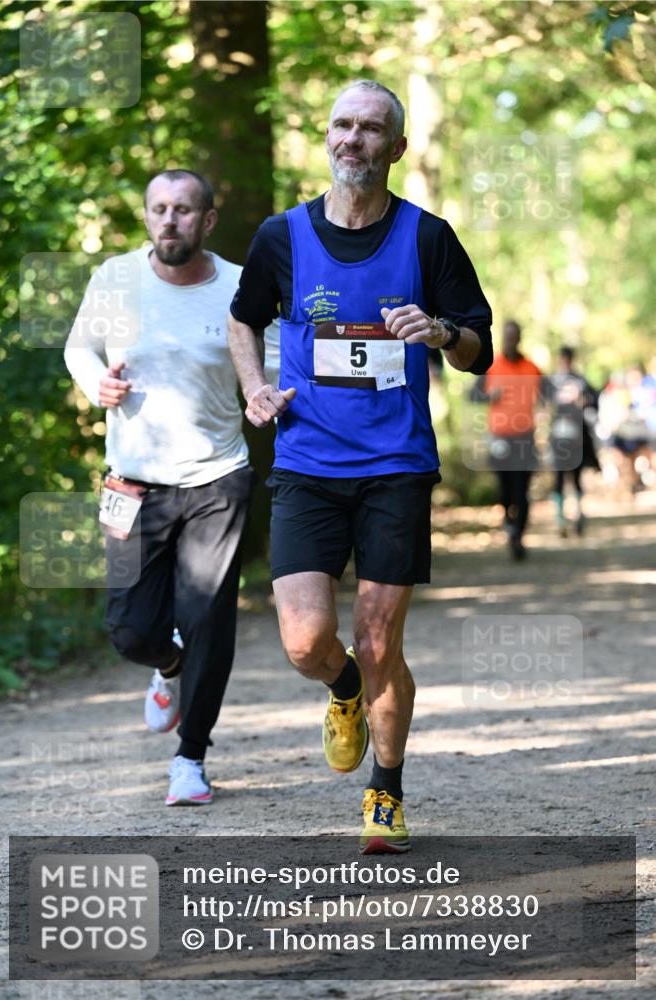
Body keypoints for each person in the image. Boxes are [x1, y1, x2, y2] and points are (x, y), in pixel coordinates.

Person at [227, 80, 492, 853]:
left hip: (395, 466)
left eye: (372, 129)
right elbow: (242, 319)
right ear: (327, 136)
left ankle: (386, 788)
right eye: (342, 124)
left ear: (396, 148)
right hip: (307, 461)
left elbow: (478, 350)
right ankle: (342, 690)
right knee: (309, 643)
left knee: (380, 642)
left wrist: (440, 332)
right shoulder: (281, 235)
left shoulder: (427, 237)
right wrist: (254, 389)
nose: (354, 139)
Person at [64, 169, 271, 807]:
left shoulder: (241, 287)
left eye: (184, 210)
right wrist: (96, 382)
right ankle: (168, 665)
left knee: (208, 617)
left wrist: (272, 393)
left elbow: (276, 362)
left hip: (218, 477)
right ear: (148, 216)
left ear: (207, 221)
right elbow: (79, 348)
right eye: (159, 209)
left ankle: (191, 758)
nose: (169, 220)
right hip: (132, 481)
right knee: (127, 629)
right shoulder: (115, 280)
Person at [473, 320, 541, 560]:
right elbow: (473, 395)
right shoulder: (492, 367)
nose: (510, 341)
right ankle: (508, 520)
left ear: (519, 338)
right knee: (505, 491)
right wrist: (489, 396)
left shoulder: (532, 368)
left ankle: (517, 536)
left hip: (525, 438)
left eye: (514, 336)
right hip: (500, 439)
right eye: (506, 337)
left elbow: (548, 394)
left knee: (522, 492)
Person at [546, 346, 599, 536]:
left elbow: (593, 400)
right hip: (559, 435)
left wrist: (582, 402)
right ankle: (561, 519)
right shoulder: (552, 381)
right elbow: (544, 403)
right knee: (559, 476)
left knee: (576, 476)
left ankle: (578, 516)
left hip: (577, 436)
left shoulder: (580, 380)